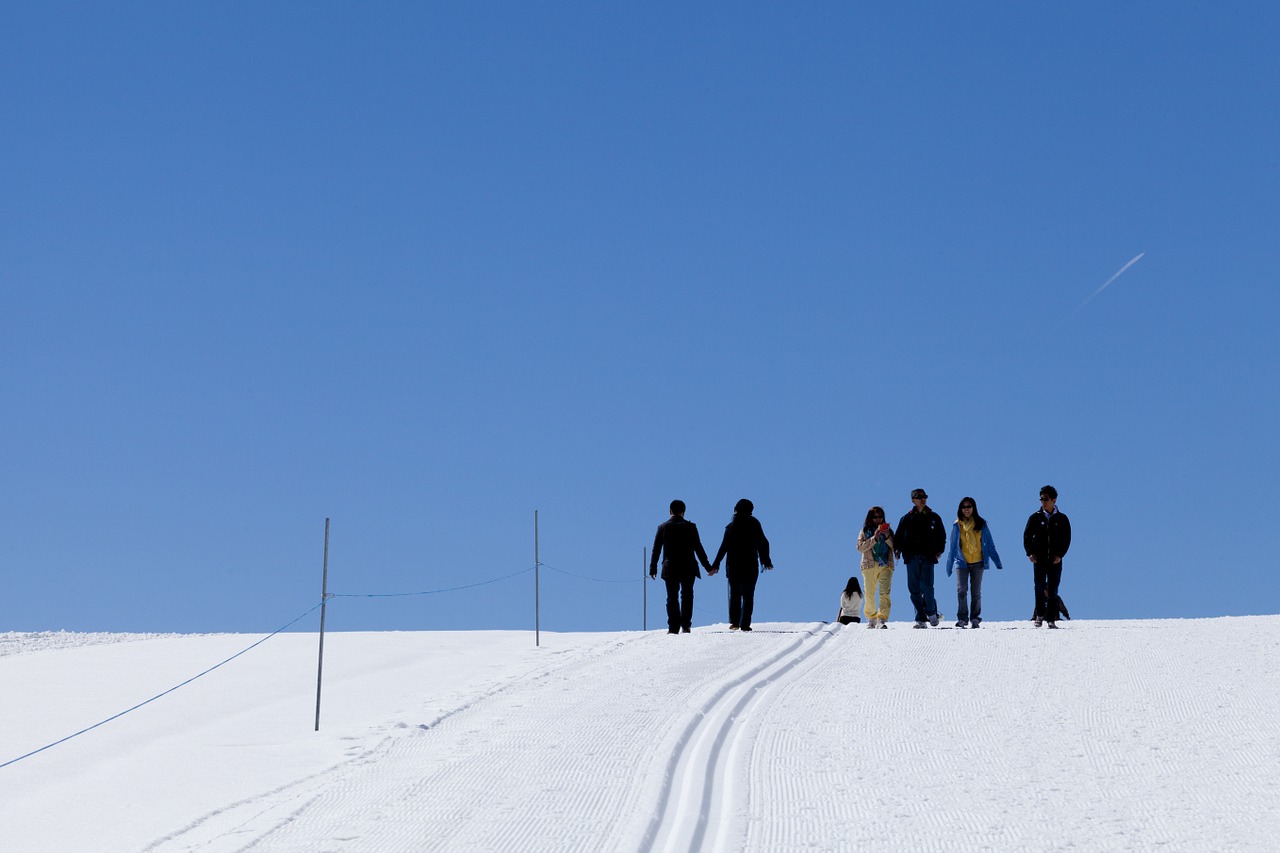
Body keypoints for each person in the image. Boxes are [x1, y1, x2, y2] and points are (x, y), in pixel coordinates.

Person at [650, 499, 714, 634]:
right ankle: (686, 625)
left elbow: (656, 550)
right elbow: (699, 548)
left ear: (670, 511)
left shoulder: (662, 527)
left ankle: (673, 627)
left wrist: (653, 568)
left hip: (670, 567)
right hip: (688, 566)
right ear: (683, 512)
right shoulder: (691, 527)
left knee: (671, 597)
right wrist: (708, 567)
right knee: (687, 595)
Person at [710, 498, 773, 632]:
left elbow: (723, 547)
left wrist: (715, 565)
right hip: (750, 565)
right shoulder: (754, 524)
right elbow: (763, 543)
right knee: (749, 595)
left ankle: (734, 622)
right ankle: (745, 624)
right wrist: (766, 561)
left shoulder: (731, 526)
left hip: (733, 566)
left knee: (735, 594)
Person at [945, 497, 1003, 628]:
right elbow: (952, 547)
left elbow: (990, 544)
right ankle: (962, 618)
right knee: (961, 590)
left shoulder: (981, 524)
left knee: (976, 592)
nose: (966, 509)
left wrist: (997, 562)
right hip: (962, 562)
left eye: (969, 506)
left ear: (973, 508)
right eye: (964, 507)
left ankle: (975, 618)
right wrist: (949, 566)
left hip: (978, 562)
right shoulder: (957, 525)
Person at [894, 488, 947, 628]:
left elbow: (942, 535)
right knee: (914, 589)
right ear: (913, 500)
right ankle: (920, 618)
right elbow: (898, 536)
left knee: (927, 587)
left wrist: (940, 550)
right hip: (911, 557)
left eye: (924, 497)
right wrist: (897, 550)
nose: (922, 499)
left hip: (928, 557)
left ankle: (931, 612)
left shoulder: (933, 517)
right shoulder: (907, 518)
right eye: (919, 497)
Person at [1023, 485, 1071, 628]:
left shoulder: (1062, 519)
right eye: (1041, 499)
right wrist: (1030, 553)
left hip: (1055, 560)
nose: (1043, 502)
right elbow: (1027, 536)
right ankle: (1039, 615)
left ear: (1054, 500)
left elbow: (1067, 538)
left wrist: (1060, 555)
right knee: (1038, 587)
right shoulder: (1035, 518)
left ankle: (1051, 619)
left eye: (1046, 499)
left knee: (1053, 589)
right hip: (1039, 559)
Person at [855, 507, 894, 628]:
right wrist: (874, 538)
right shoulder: (864, 531)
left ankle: (881, 618)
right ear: (870, 518)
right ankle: (871, 617)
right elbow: (860, 547)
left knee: (885, 593)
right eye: (875, 517)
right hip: (869, 565)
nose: (878, 519)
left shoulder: (889, 531)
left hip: (885, 564)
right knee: (869, 593)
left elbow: (895, 546)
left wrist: (887, 537)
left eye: (880, 516)